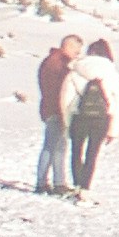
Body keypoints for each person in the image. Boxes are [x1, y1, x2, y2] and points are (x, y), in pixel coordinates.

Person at [64, 38, 119, 200]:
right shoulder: (111, 73)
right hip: (102, 119)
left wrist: (67, 122)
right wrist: (113, 129)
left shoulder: (76, 70)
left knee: (76, 152)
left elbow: (66, 99)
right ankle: (86, 188)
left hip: (79, 117)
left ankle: (76, 185)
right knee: (92, 153)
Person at [32, 34, 82, 193]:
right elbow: (58, 89)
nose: (78, 54)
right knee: (52, 146)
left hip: (53, 109)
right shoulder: (58, 64)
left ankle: (58, 182)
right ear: (69, 46)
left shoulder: (52, 61)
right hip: (56, 110)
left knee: (59, 146)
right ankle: (42, 182)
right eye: (77, 50)